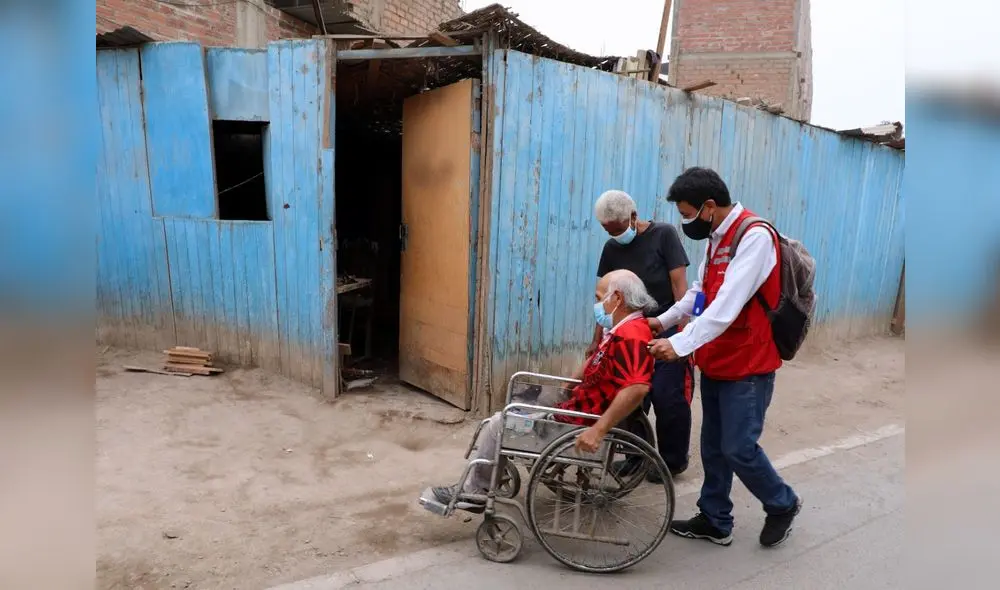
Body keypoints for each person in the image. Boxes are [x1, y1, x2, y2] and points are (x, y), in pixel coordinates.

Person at [648, 167, 801, 548]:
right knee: (713, 446)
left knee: (738, 447)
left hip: (748, 365)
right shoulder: (717, 238)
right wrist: (662, 321)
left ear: (710, 206)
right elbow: (700, 293)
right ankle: (715, 519)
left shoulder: (755, 237)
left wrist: (680, 344)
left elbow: (726, 305)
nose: (686, 221)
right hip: (717, 359)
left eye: (687, 213)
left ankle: (782, 503)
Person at [432, 270, 657, 512]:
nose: (596, 304)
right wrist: (568, 384)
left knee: (498, 425)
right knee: (521, 400)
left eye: (599, 297)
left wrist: (598, 430)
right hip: (577, 406)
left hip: (581, 420)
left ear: (618, 299)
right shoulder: (620, 329)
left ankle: (475, 491)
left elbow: (637, 388)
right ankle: (484, 478)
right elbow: (595, 362)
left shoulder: (630, 336)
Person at [589, 189, 694, 479]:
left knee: (667, 396)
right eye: (607, 231)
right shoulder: (612, 249)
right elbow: (605, 297)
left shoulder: (664, 235)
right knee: (627, 395)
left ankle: (673, 461)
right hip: (627, 331)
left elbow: (680, 286)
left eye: (618, 229)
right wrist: (596, 339)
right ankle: (636, 456)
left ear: (634, 217)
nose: (614, 235)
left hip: (666, 327)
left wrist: (685, 334)